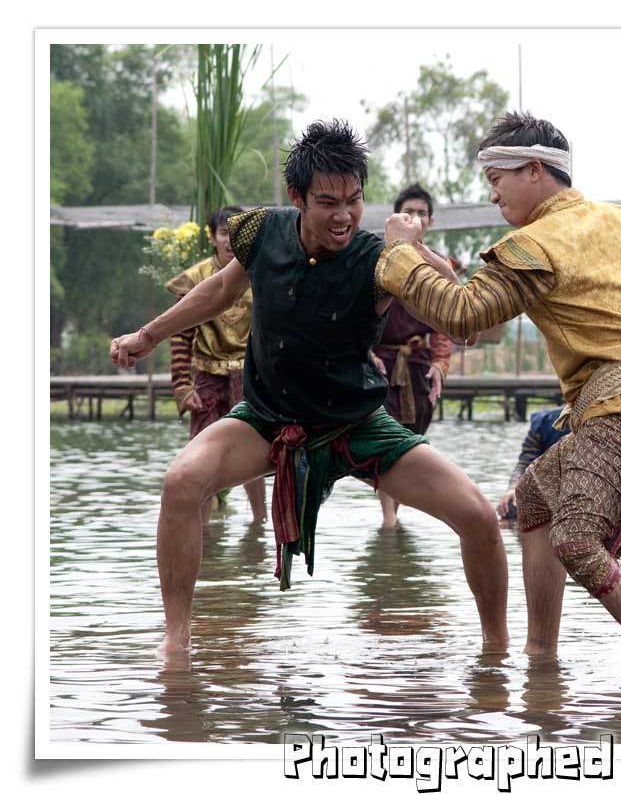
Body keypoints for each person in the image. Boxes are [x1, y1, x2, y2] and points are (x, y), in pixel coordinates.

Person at [110, 120, 508, 658]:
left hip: (356, 422)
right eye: (327, 202)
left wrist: (415, 251)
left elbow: (464, 322)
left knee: (480, 518)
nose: (343, 216)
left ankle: (497, 652)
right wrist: (148, 335)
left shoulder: (380, 258)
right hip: (271, 417)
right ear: (297, 197)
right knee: (182, 481)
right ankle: (176, 643)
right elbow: (219, 292)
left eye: (354, 200)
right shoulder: (261, 232)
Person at [376, 112, 621, 672]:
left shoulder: (535, 244)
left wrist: (396, 256)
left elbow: (463, 317)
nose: (493, 192)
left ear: (534, 170)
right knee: (533, 501)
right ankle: (542, 659)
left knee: (579, 546)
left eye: (498, 177)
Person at [165, 205, 267, 525]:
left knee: (255, 451)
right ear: (212, 237)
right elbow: (181, 335)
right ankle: (202, 526)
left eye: (237, 234)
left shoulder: (261, 273)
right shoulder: (196, 277)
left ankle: (259, 523)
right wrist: (182, 386)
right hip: (207, 374)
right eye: (224, 233)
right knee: (201, 455)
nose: (230, 241)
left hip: (249, 375)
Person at [370, 184, 458, 528]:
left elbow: (445, 322)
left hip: (418, 364)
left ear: (431, 221)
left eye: (422, 213)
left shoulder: (438, 265)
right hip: (381, 362)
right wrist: (364, 353)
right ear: (396, 219)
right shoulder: (379, 262)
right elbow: (361, 313)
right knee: (384, 435)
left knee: (411, 438)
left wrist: (439, 364)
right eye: (409, 213)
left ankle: (396, 513)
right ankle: (388, 517)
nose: (416, 219)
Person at [496, 407, 569, 520]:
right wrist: (514, 488)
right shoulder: (545, 422)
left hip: (591, 492)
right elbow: (525, 463)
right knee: (511, 505)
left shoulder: (601, 421)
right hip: (552, 490)